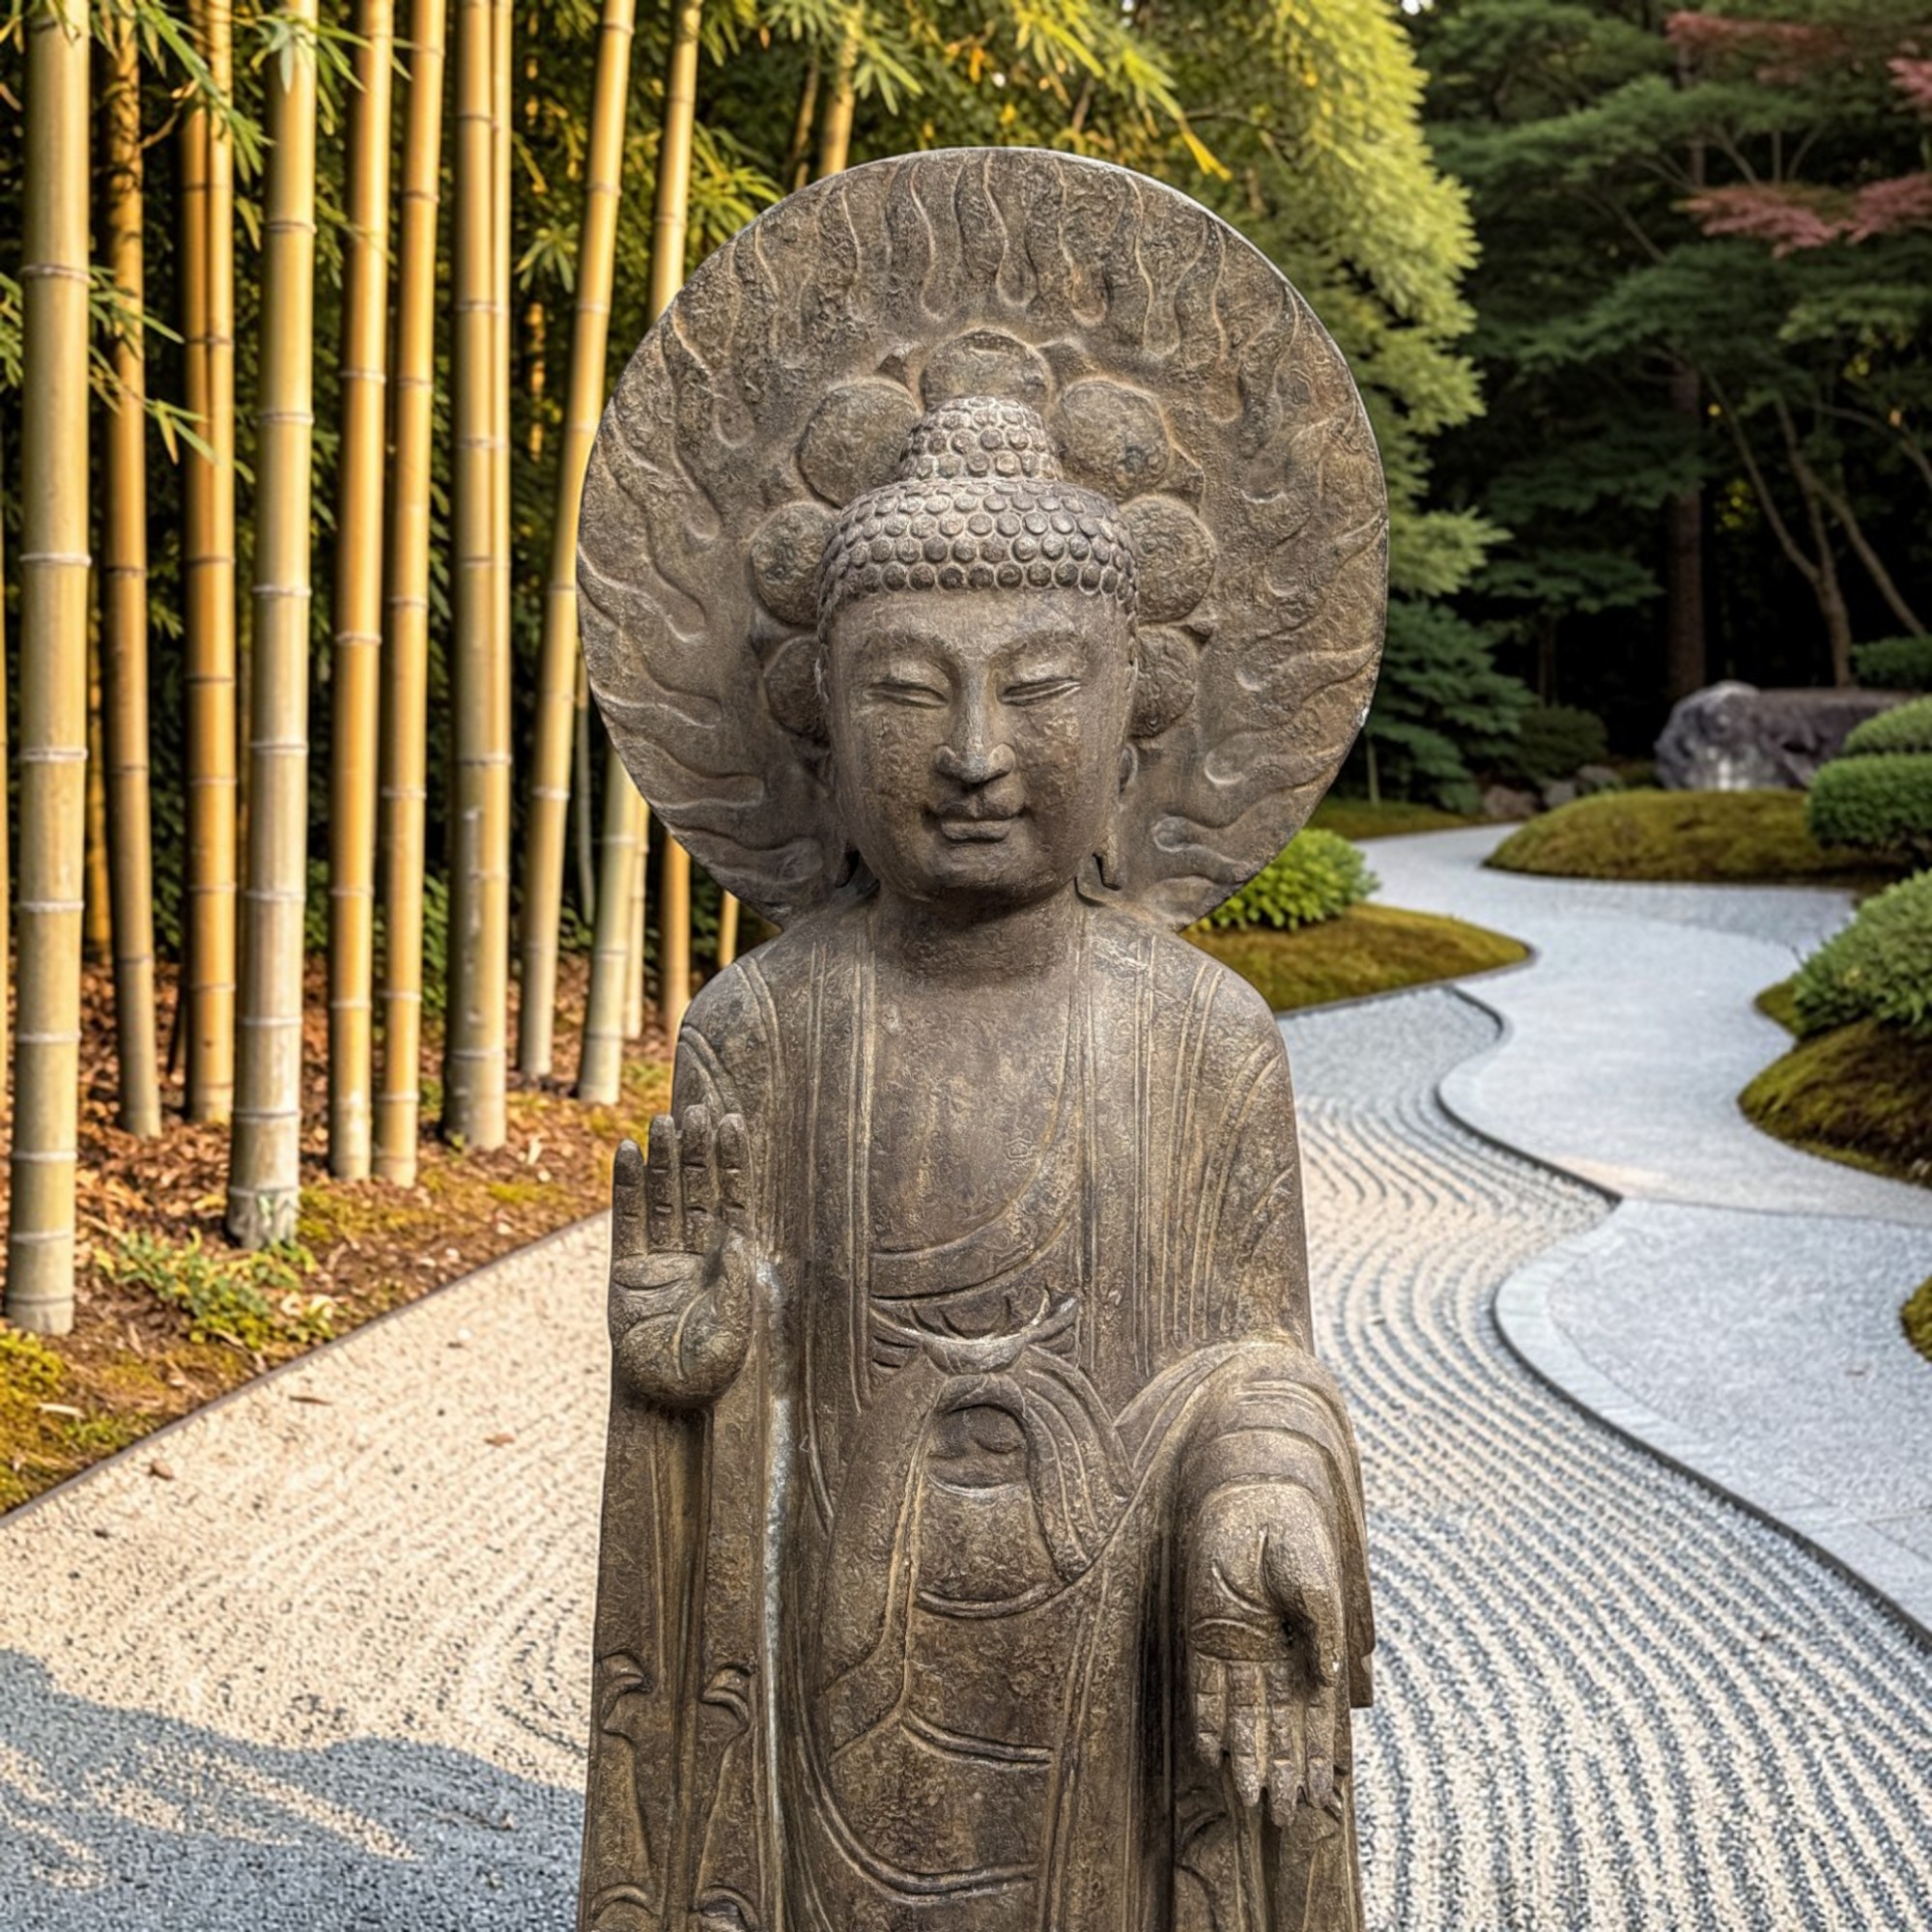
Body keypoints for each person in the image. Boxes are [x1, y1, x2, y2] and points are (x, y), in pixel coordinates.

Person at [579, 396, 1374, 1932]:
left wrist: (1260, 1492)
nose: (970, 756)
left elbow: (1261, 1357)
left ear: (1136, 701)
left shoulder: (1203, 1036)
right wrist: (693, 1384)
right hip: (837, 1673)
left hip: (1120, 1665)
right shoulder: (766, 1029)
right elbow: (722, 1390)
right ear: (815, 707)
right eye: (904, 693)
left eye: (1036, 689)